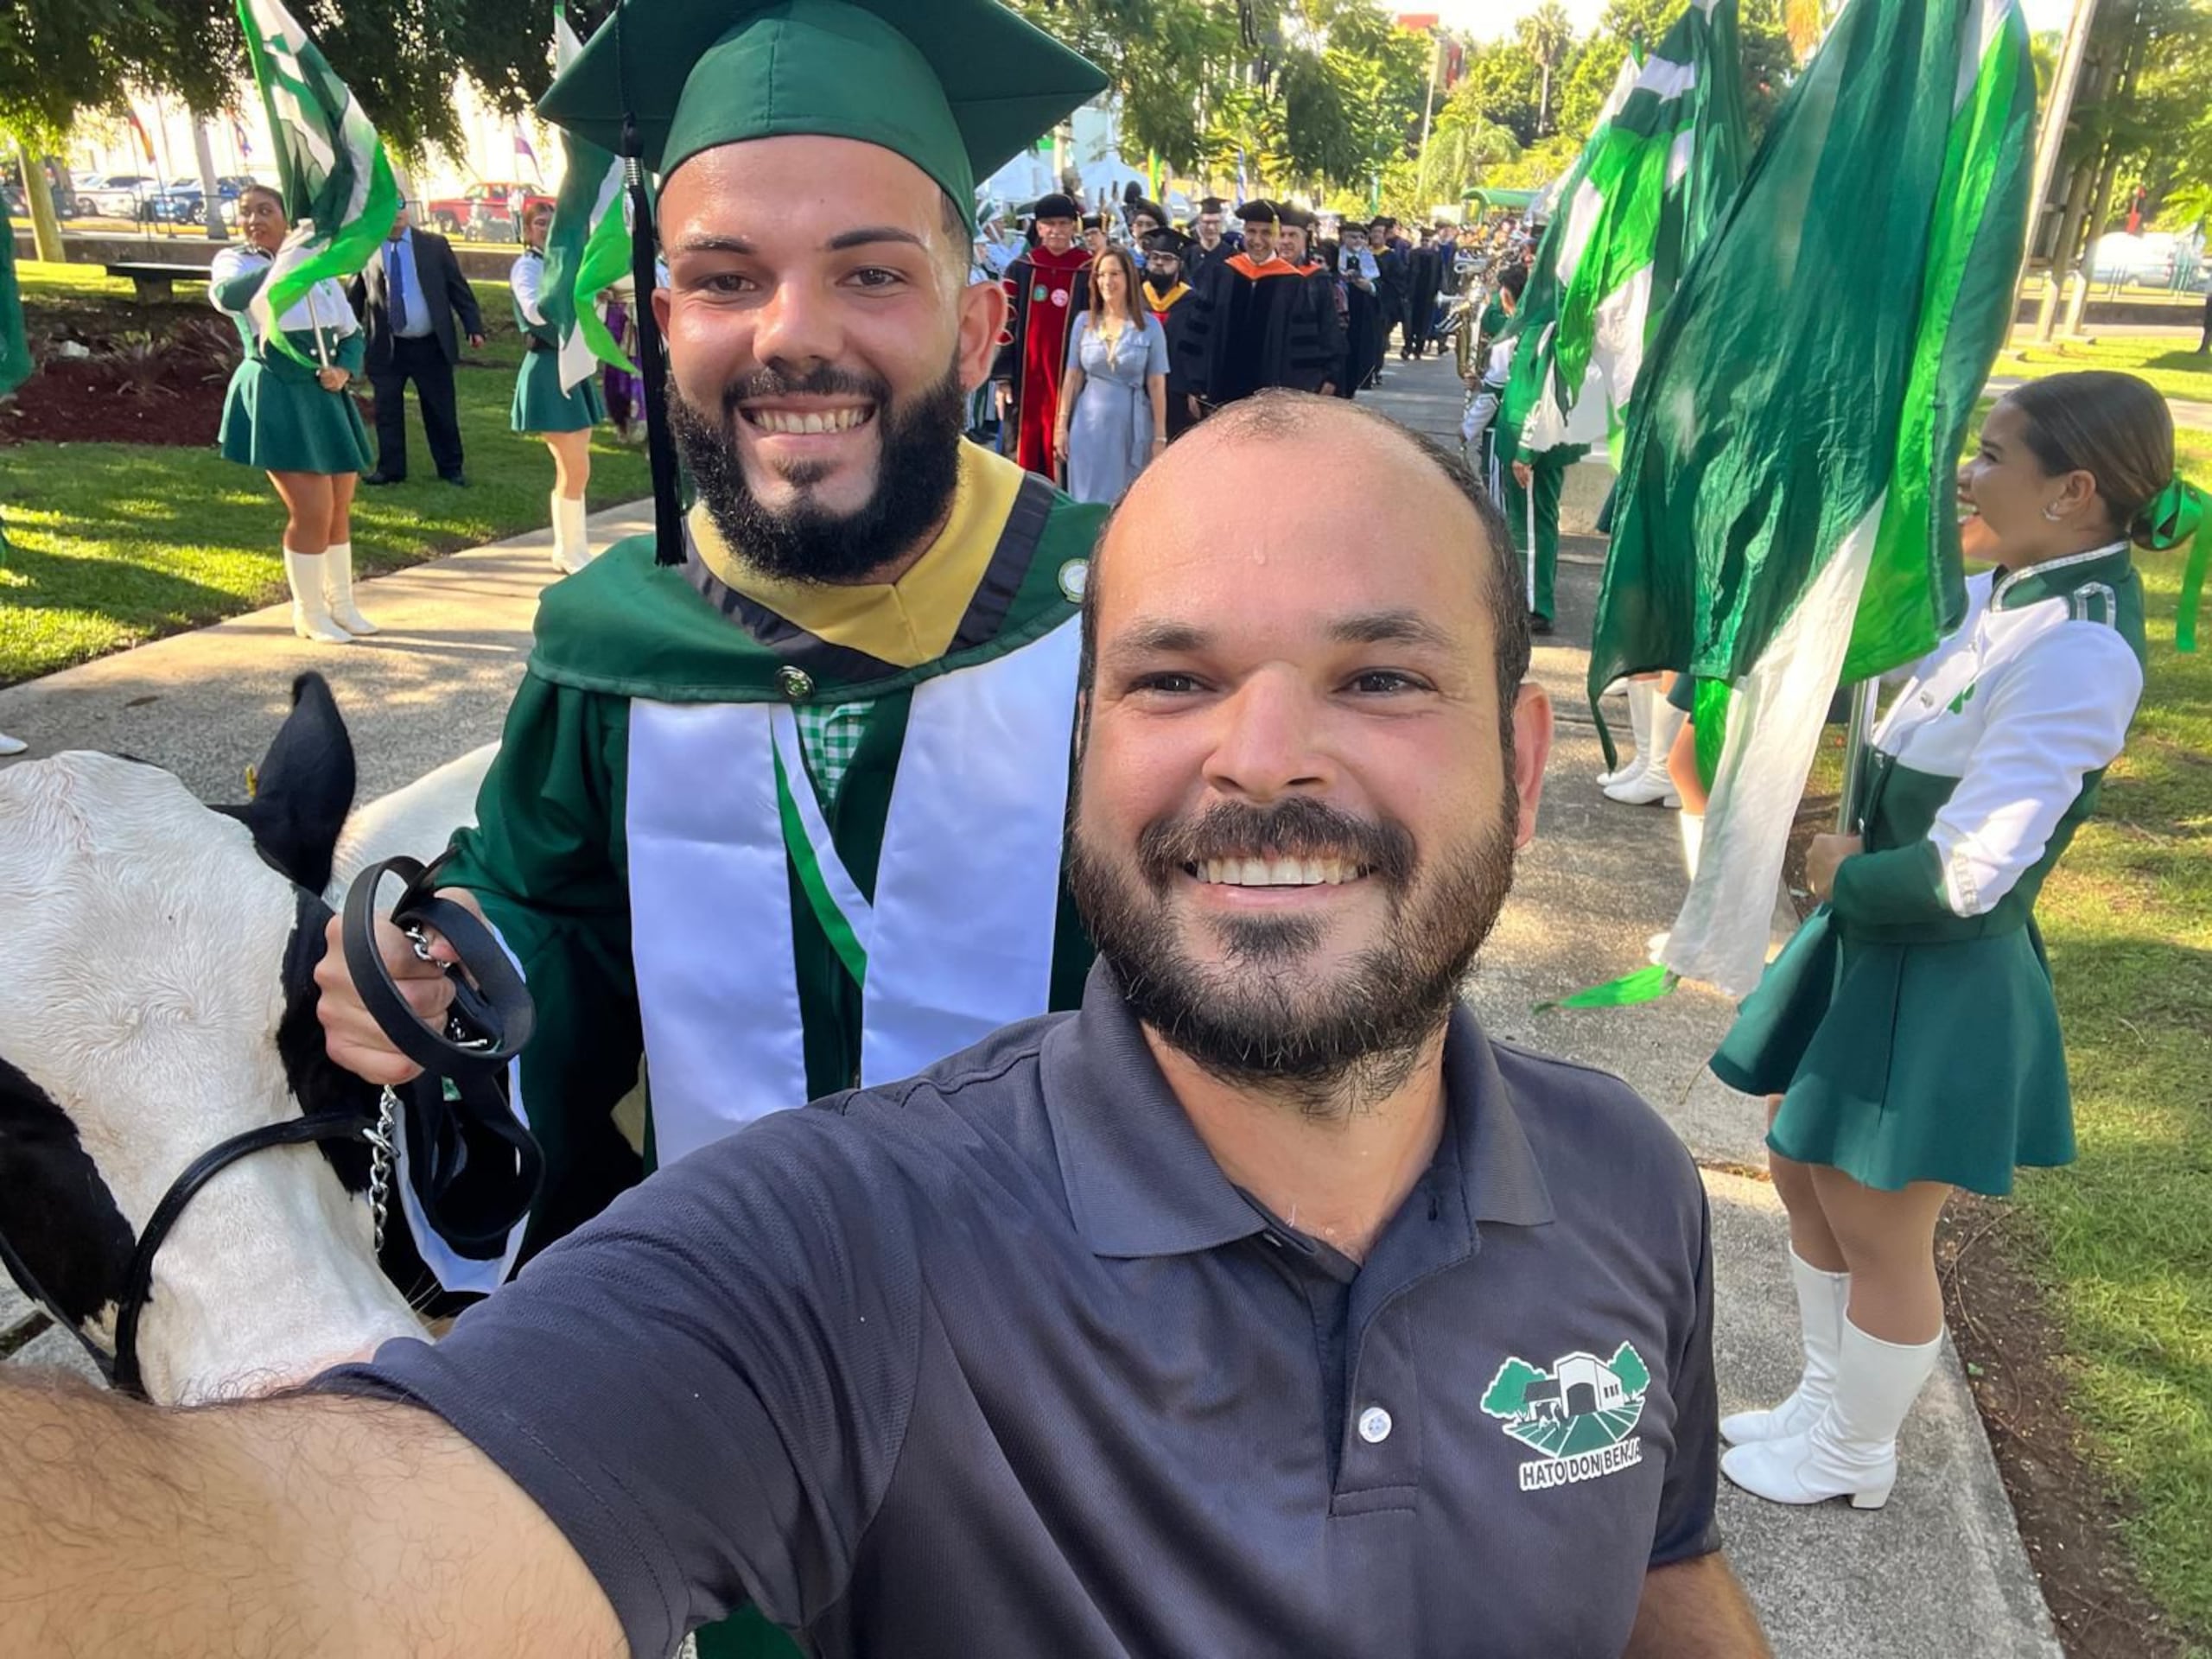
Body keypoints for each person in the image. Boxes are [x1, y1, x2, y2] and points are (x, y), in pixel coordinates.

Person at [0, 393, 1770, 1659]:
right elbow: (329, 1565)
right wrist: (466, 980)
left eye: (1378, 677)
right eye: (1173, 678)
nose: (1261, 756)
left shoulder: (1619, 1186)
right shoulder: (839, 1256)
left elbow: (1654, 1580)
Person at [1714, 372, 2170, 1512]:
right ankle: (1829, 1399)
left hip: (1936, 962)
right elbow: (1893, 668)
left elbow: (1973, 870)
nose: (1967, 474)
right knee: (1795, 1159)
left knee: (1875, 1215)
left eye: (1992, 455)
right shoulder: (2009, 588)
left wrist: (1841, 877)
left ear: (2073, 492)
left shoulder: (2083, 646)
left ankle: (1855, 1450)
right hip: (1872, 941)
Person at [208, 181, 377, 644]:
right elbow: (229, 296)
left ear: (288, 219)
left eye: (266, 211)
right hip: (278, 390)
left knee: (340, 507)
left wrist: (345, 369)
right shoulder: (236, 261)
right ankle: (309, 612)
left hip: (323, 394)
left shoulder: (319, 271)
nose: (254, 220)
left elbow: (352, 332)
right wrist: (287, 264)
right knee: (312, 509)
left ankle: (342, 604)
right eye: (246, 212)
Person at [348, 199, 486, 486]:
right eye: (389, 204)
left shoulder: (434, 245)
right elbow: (355, 297)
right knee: (387, 411)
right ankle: (391, 469)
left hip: (430, 345)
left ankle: (451, 468)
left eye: (400, 204)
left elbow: (458, 288)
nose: (396, 212)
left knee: (440, 410)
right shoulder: (366, 248)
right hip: (387, 347)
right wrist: (345, 336)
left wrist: (473, 326)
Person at [508, 200, 607, 574]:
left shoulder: (567, 265)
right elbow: (535, 311)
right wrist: (571, 296)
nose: (547, 230)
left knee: (578, 465)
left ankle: (572, 546)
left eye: (553, 223)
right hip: (549, 367)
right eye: (539, 223)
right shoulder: (528, 267)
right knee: (573, 464)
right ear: (527, 229)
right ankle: (568, 550)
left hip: (571, 363)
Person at [1179, 200, 1336, 412]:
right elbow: (1200, 334)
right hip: (1220, 398)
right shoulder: (1224, 274)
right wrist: (1196, 386)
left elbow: (1301, 349)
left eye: (1266, 233)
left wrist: (1295, 397)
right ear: (1243, 232)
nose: (1257, 240)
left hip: (1272, 407)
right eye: (1251, 232)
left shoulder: (1293, 283)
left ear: (1276, 236)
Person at [1052, 246, 1167, 503]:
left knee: (1124, 500)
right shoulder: (1084, 322)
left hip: (1130, 426)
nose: (1107, 281)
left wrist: (1159, 437)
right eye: (1101, 274)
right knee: (1085, 497)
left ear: (1129, 278)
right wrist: (1061, 426)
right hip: (1088, 425)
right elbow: (1073, 377)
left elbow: (1157, 384)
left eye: (1114, 274)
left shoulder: (1150, 326)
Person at [994, 189, 1091, 477]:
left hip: (1071, 379)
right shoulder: (1021, 269)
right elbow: (1005, 324)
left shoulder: (1088, 270)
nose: (1056, 231)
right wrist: (1003, 377)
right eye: (1049, 224)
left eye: (1063, 224)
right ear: (1038, 227)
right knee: (1021, 448)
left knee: (1066, 450)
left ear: (1073, 226)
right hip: (1027, 379)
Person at [1139, 226, 1202, 440]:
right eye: (1155, 257)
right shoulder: (1136, 297)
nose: (1158, 263)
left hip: (1176, 393)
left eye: (1167, 259)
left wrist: (1194, 390)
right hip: (1138, 389)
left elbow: (1198, 351)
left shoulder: (1193, 303)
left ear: (1179, 265)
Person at [1276, 206, 1342, 397]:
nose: (1286, 241)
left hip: (1306, 381)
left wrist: (1331, 376)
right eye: (1282, 235)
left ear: (1305, 239)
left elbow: (1330, 329)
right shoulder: (1264, 277)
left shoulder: (1317, 279)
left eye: (1293, 235)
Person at [1370, 217, 1409, 364]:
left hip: (1384, 304)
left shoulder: (1391, 256)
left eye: (1380, 232)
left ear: (1386, 235)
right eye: (1374, 231)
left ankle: (1376, 368)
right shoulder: (1363, 253)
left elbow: (1399, 282)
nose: (1376, 235)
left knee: (1380, 338)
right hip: (1366, 303)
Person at [1185, 193, 1239, 287]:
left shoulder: (1233, 256)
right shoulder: (1188, 254)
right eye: (1207, 222)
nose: (1211, 227)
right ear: (1199, 223)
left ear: (1222, 223)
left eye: (1216, 222)